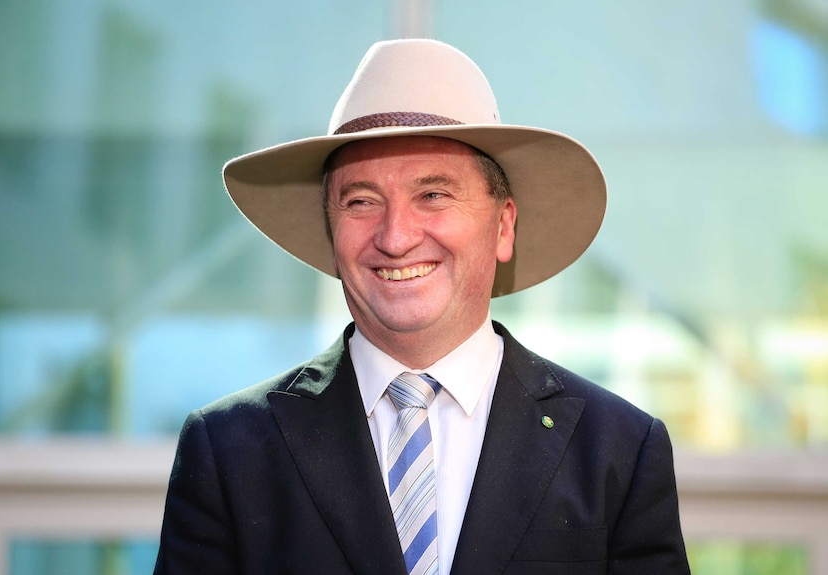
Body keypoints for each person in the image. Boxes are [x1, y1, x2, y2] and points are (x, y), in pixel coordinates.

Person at [154, 39, 691, 574]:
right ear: (330, 229)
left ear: (503, 226)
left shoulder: (618, 450)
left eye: (433, 195)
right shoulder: (230, 451)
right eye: (361, 201)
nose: (395, 237)